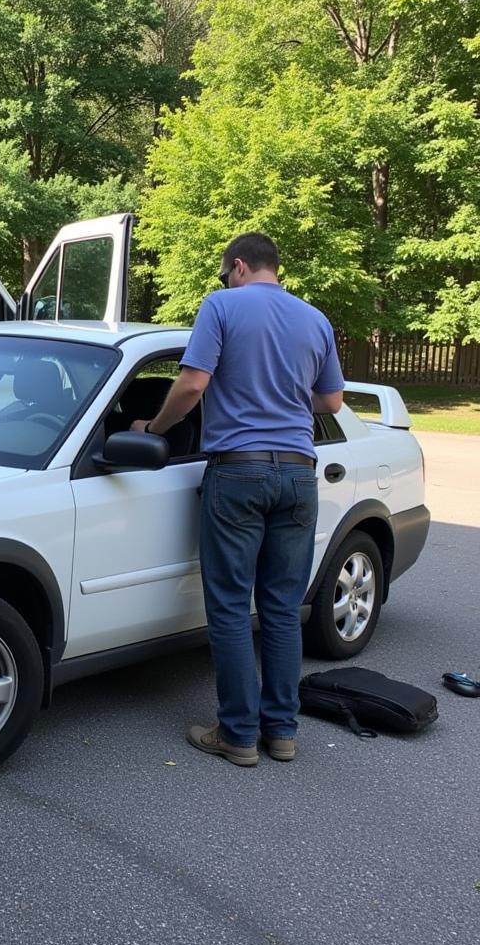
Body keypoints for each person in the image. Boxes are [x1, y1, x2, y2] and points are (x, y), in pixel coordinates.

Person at [134, 232, 344, 766]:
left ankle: (237, 736)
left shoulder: (221, 306)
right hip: (299, 475)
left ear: (241, 265)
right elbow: (332, 400)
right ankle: (282, 733)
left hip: (239, 473)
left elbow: (191, 385)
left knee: (229, 608)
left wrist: (154, 428)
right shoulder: (314, 318)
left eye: (227, 272)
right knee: (280, 609)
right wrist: (287, 392)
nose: (226, 281)